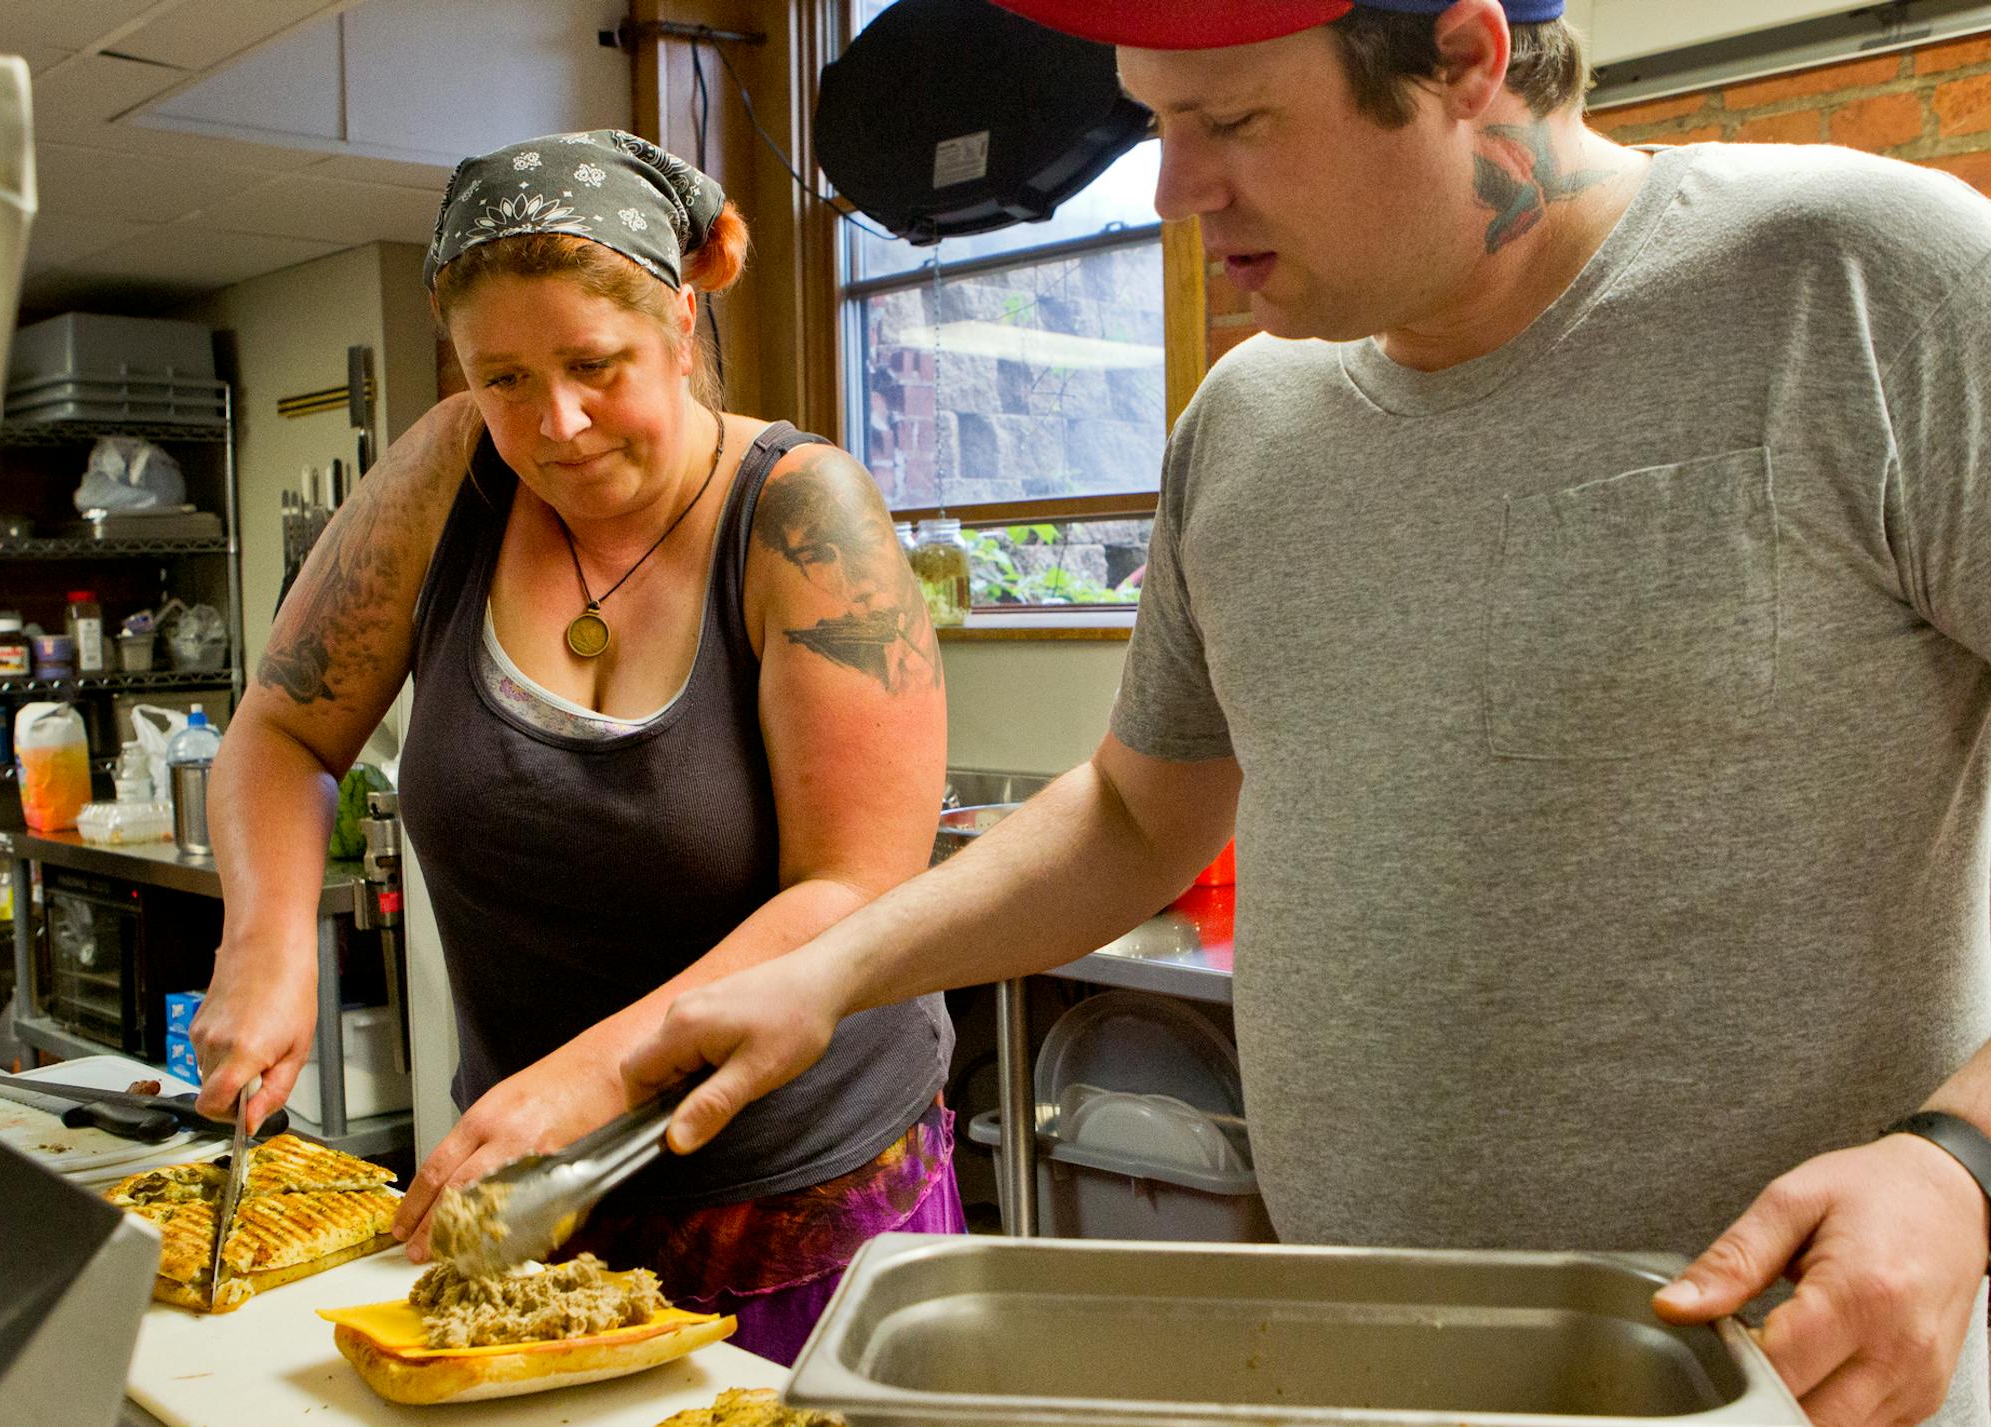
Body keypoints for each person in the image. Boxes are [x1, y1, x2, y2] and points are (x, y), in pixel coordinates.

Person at [620, 3, 1991, 1422]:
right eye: (1156, 120)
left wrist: (1961, 1162)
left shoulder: (1865, 284)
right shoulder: (1251, 417)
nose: (1171, 189)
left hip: (1793, 1375)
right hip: (1356, 1360)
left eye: (1235, 122)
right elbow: (1141, 810)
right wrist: (829, 973)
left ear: (1465, 61)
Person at [189, 129, 962, 1364]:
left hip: (787, 1192)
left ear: (682, 321)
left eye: (595, 364)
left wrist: (595, 1076)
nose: (554, 423)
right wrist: (267, 940)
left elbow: (858, 887)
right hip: (528, 1194)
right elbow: (283, 726)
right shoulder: (449, 475)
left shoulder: (802, 515)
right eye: (502, 380)